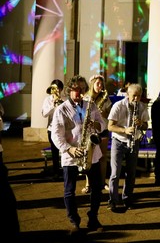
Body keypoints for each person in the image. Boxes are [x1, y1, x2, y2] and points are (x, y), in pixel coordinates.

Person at [51, 75, 105, 235]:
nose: (79, 92)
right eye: (76, 89)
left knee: (97, 188)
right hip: (71, 155)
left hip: (91, 153)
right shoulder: (61, 109)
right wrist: (69, 149)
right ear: (69, 90)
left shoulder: (91, 105)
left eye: (82, 89)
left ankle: (93, 218)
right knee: (69, 191)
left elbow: (102, 125)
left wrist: (95, 124)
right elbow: (56, 135)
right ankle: (74, 221)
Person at [107, 83, 149, 211]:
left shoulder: (142, 107)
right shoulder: (118, 106)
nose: (136, 99)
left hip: (134, 141)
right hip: (119, 141)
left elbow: (146, 126)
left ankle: (127, 199)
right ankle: (113, 200)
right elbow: (110, 126)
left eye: (139, 96)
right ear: (128, 95)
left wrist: (141, 124)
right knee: (115, 172)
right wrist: (124, 130)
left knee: (131, 173)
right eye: (134, 96)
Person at [81, 75, 112, 194]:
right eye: (98, 83)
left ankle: (102, 182)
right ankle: (88, 184)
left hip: (102, 128)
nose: (100, 86)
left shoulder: (105, 97)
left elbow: (111, 113)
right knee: (88, 157)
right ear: (92, 84)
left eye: (101, 84)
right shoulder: (86, 97)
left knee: (103, 157)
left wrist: (104, 113)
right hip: (90, 130)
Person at [41, 79, 65, 180]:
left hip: (63, 128)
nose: (56, 91)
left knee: (64, 150)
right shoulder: (47, 100)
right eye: (54, 89)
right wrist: (53, 104)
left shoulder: (65, 99)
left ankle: (65, 171)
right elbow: (44, 114)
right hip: (51, 128)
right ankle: (56, 172)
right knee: (54, 151)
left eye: (58, 89)